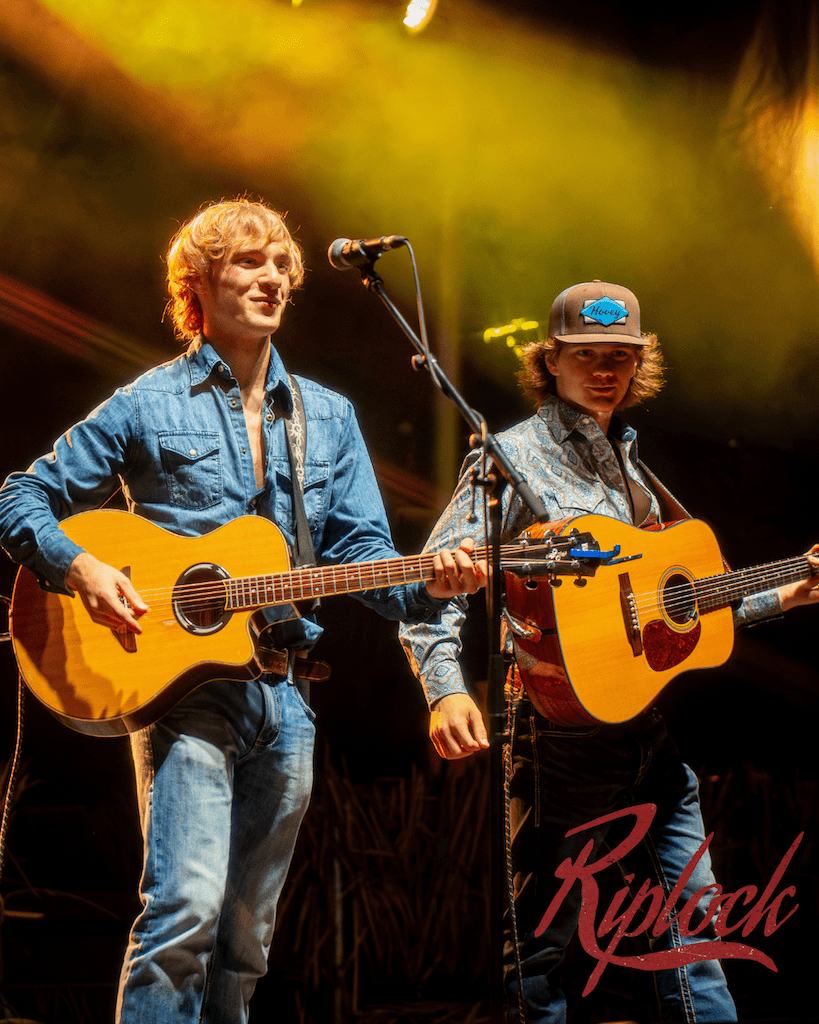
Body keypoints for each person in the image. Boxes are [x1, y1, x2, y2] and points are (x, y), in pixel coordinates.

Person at [0, 198, 483, 1023]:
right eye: (248, 263)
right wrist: (82, 568)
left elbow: (362, 556)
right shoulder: (147, 402)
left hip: (287, 691)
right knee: (183, 912)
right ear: (199, 282)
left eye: (280, 267)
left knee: (247, 940)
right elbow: (21, 498)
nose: (271, 279)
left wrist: (429, 582)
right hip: (185, 694)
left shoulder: (327, 415)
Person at [400, 280, 819, 1023]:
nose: (604, 370)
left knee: (697, 929)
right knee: (541, 951)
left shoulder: (634, 472)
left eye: (620, 357)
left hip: (645, 735)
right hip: (556, 738)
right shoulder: (510, 459)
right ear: (549, 362)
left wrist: (782, 593)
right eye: (586, 355)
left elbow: (672, 613)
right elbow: (430, 589)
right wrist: (443, 687)